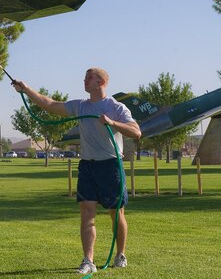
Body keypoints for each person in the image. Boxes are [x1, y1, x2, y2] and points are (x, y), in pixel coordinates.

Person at [12, 68, 141, 274]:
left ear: (101, 81)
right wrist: (26, 90)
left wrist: (112, 122)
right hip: (87, 166)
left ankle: (120, 255)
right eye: (84, 77)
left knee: (116, 213)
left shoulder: (115, 107)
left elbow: (136, 132)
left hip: (110, 165)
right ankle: (88, 260)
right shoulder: (80, 106)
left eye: (89, 77)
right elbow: (51, 105)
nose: (84, 80)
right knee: (87, 212)